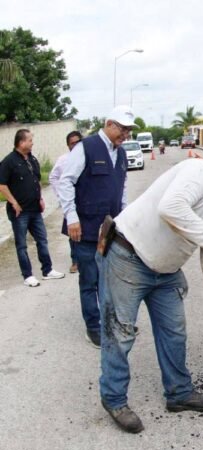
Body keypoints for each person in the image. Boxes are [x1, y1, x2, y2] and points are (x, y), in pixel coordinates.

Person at [97, 157, 203, 434]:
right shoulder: (201, 172)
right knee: (120, 333)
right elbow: (171, 207)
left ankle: (179, 393)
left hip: (166, 271)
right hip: (128, 257)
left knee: (174, 332)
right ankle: (115, 400)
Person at [58, 106, 136, 348]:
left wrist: (124, 217)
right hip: (85, 228)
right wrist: (71, 217)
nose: (125, 134)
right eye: (123, 129)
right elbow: (65, 181)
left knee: (111, 278)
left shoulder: (121, 154)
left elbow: (120, 188)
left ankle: (111, 322)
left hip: (110, 229)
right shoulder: (86, 147)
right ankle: (93, 327)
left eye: (129, 130)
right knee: (90, 280)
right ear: (109, 124)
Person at [0, 129, 65, 287]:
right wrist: (14, 202)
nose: (32, 142)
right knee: (21, 245)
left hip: (35, 209)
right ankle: (27, 275)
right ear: (21, 142)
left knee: (42, 240)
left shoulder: (32, 159)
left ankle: (47, 270)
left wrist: (41, 198)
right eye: (30, 140)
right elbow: (2, 185)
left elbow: (36, 181)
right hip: (20, 212)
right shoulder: (8, 162)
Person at [48, 130, 83, 274]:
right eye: (72, 143)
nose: (75, 145)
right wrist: (61, 196)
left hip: (87, 200)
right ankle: (75, 261)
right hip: (70, 201)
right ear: (68, 145)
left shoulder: (88, 156)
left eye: (77, 142)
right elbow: (53, 177)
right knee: (72, 231)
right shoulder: (63, 160)